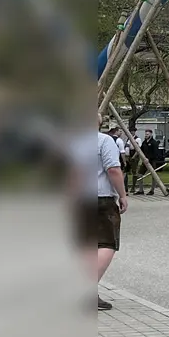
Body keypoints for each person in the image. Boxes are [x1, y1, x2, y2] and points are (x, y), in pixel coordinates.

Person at [73, 122, 127, 312]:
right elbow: (113, 169)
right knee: (106, 244)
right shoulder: (104, 141)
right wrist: (122, 195)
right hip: (101, 197)